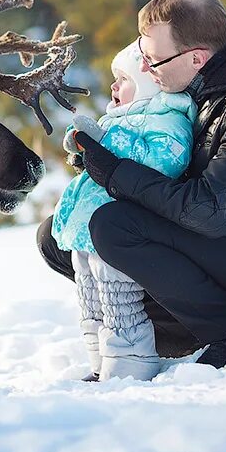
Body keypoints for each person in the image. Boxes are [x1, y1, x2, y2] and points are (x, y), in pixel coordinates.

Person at [38, 0, 226, 369]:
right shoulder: (199, 77)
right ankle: (184, 328)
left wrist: (115, 173)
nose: (144, 67)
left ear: (196, 58)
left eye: (154, 60)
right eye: (143, 53)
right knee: (60, 237)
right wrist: (110, 154)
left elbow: (211, 210)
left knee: (113, 226)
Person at [53, 40, 197, 381]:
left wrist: (105, 141)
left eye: (124, 79)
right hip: (95, 224)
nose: (114, 86)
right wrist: (85, 152)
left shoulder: (167, 119)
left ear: (147, 83)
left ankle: (131, 357)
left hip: (124, 222)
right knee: (90, 293)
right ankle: (100, 358)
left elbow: (162, 161)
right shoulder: (127, 119)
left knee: (117, 294)